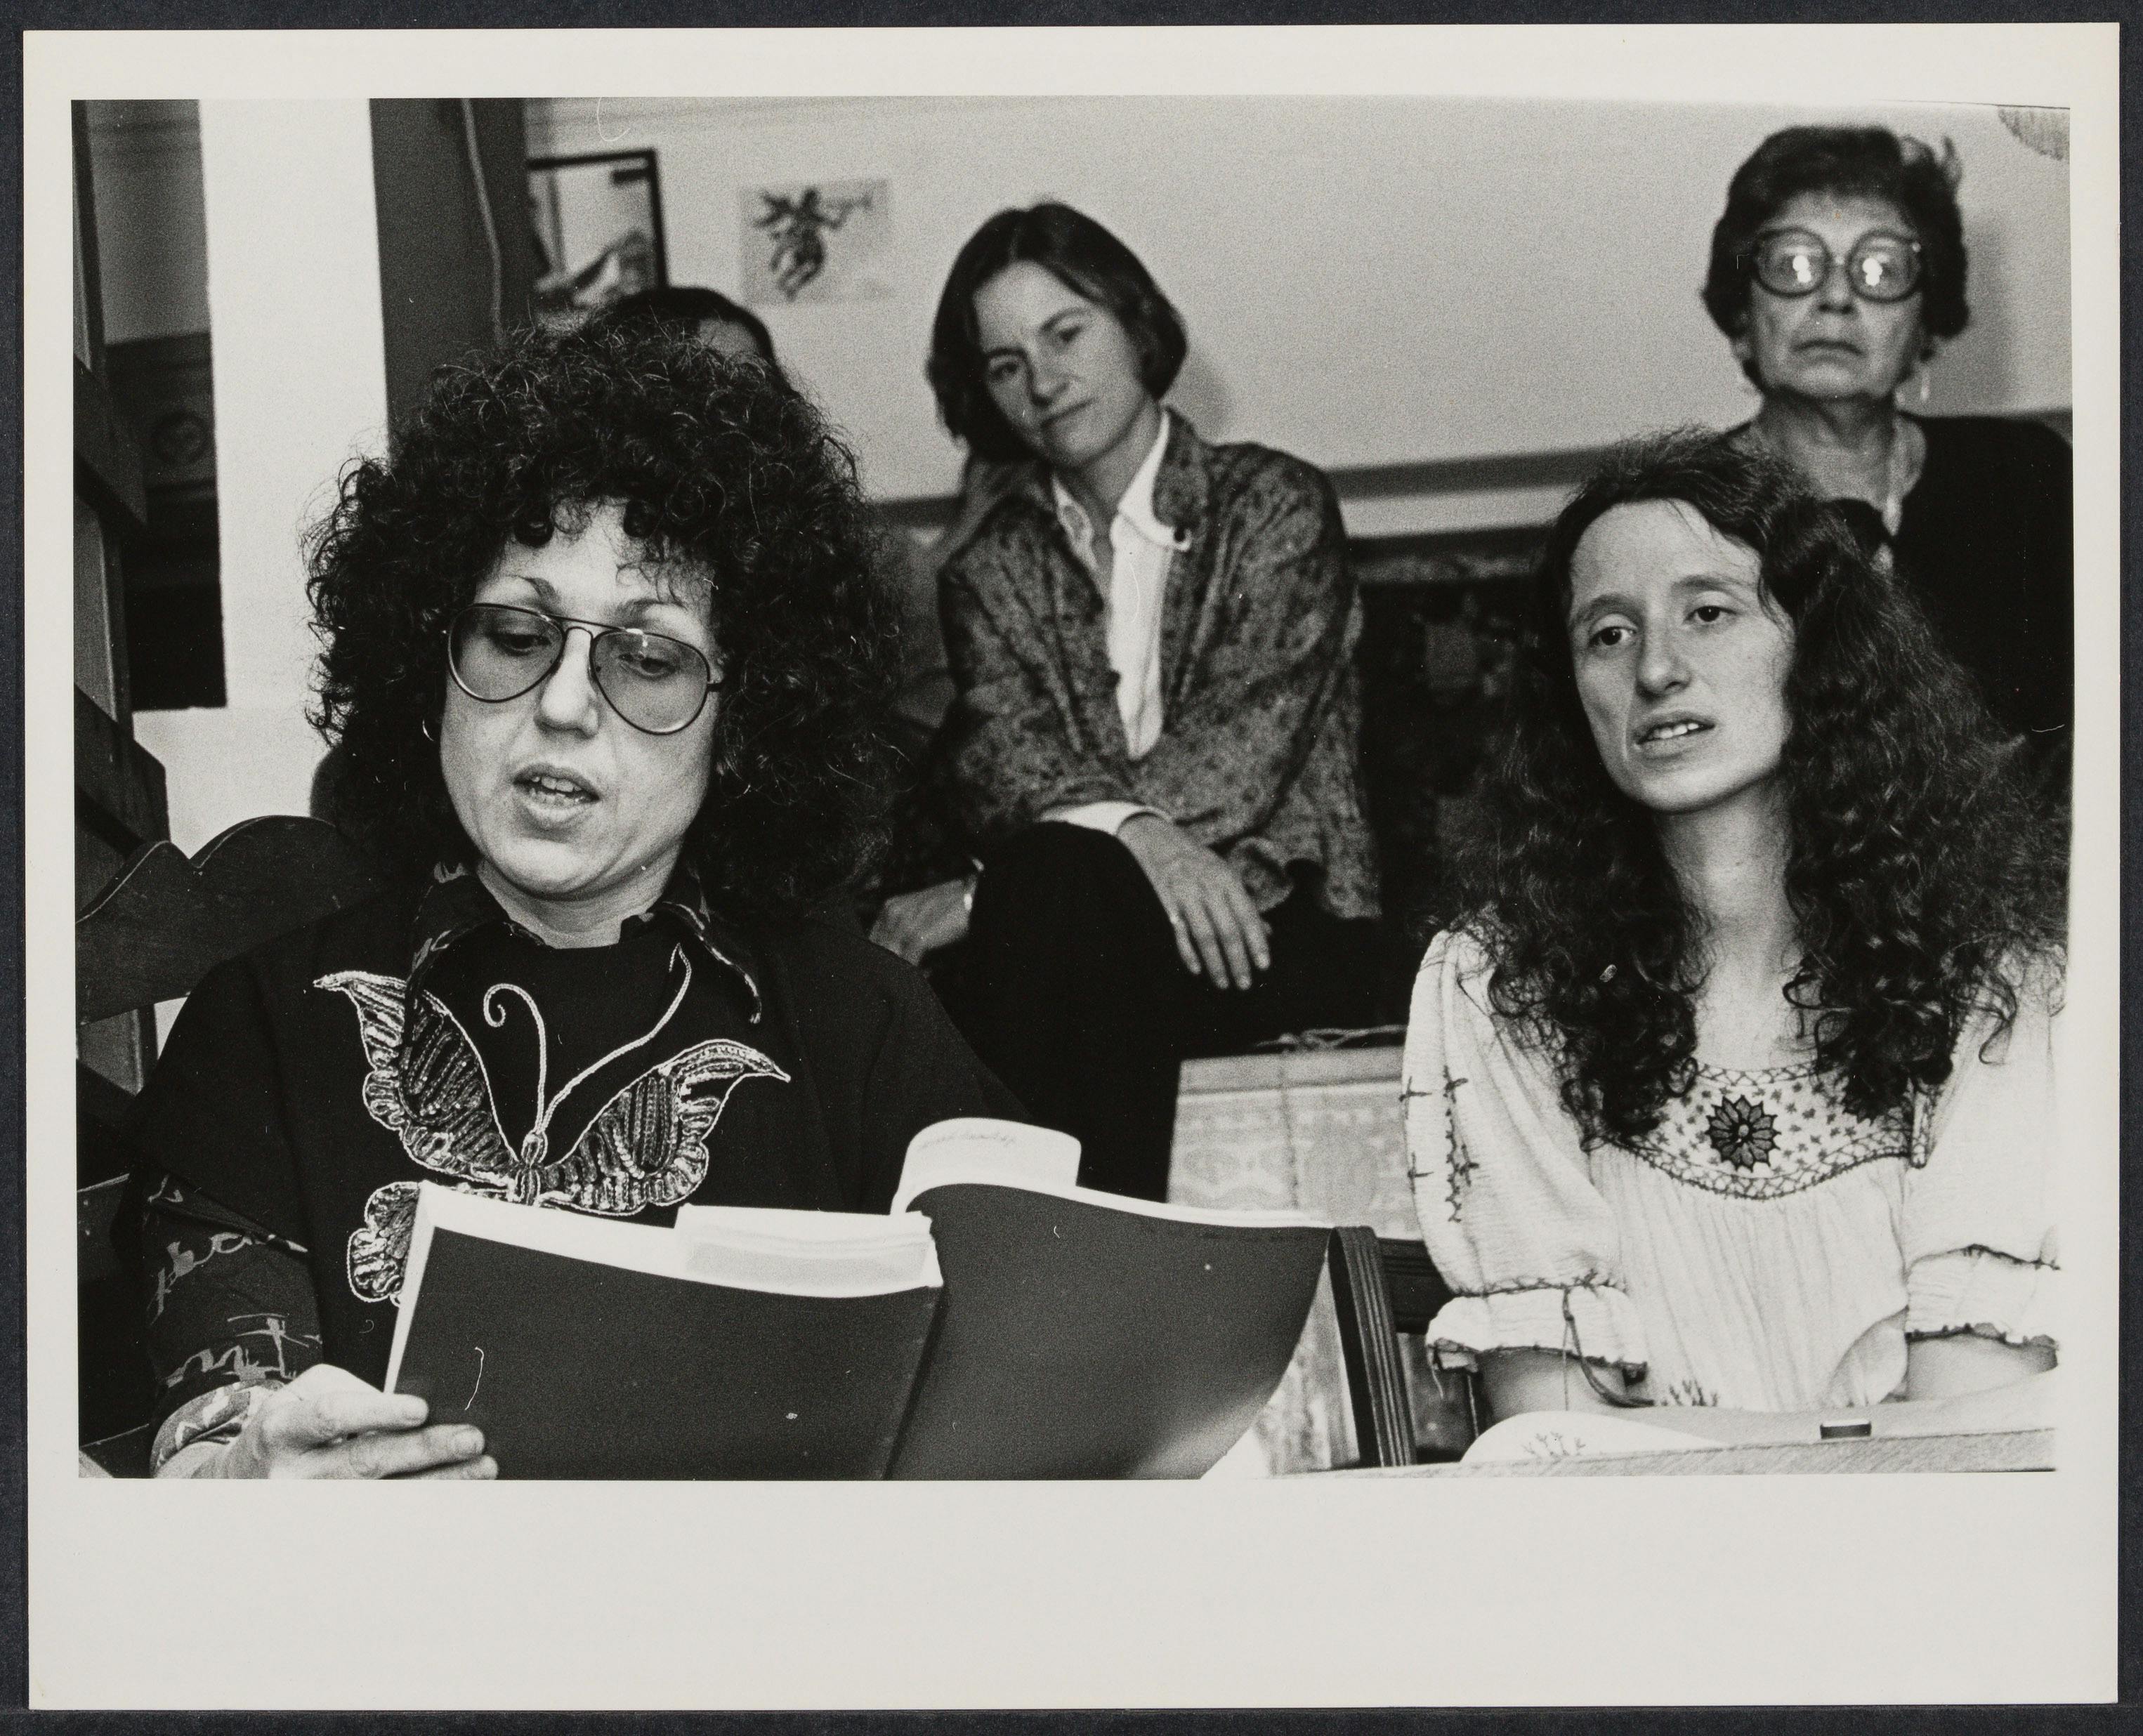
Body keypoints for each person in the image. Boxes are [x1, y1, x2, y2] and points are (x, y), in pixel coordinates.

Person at [123, 320, 1019, 1478]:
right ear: (429, 662)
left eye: (647, 658)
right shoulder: (264, 1022)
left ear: (743, 719)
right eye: (513, 634)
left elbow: (1031, 1376)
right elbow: (218, 1429)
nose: (561, 705)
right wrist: (249, 1470)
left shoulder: (863, 1020)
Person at [1404, 430, 2062, 1433]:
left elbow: (1976, 1427)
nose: (1656, 669)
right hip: (1646, 1572)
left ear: (1816, 649)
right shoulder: (1499, 982)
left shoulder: (1994, 965)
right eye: (1607, 634)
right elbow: (1545, 1438)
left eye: (1706, 614)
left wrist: (1693, 1442)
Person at [878, 201, 1382, 1201]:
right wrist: (1141, 842)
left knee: (1048, 894)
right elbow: (1004, 765)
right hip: (1081, 938)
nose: (1043, 381)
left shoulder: (1273, 503)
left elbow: (1246, 746)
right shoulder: (990, 565)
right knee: (1053, 903)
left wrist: (991, 895)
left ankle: (1063, 1260)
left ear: (1135, 325)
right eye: (1005, 363)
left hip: (1274, 921)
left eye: (1065, 334)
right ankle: (1077, 1260)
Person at [1703, 124, 2072, 773]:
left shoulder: (2027, 477)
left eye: (1880, 270)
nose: (1836, 298)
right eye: (1793, 266)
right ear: (1742, 318)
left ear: (1926, 327)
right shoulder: (1683, 510)